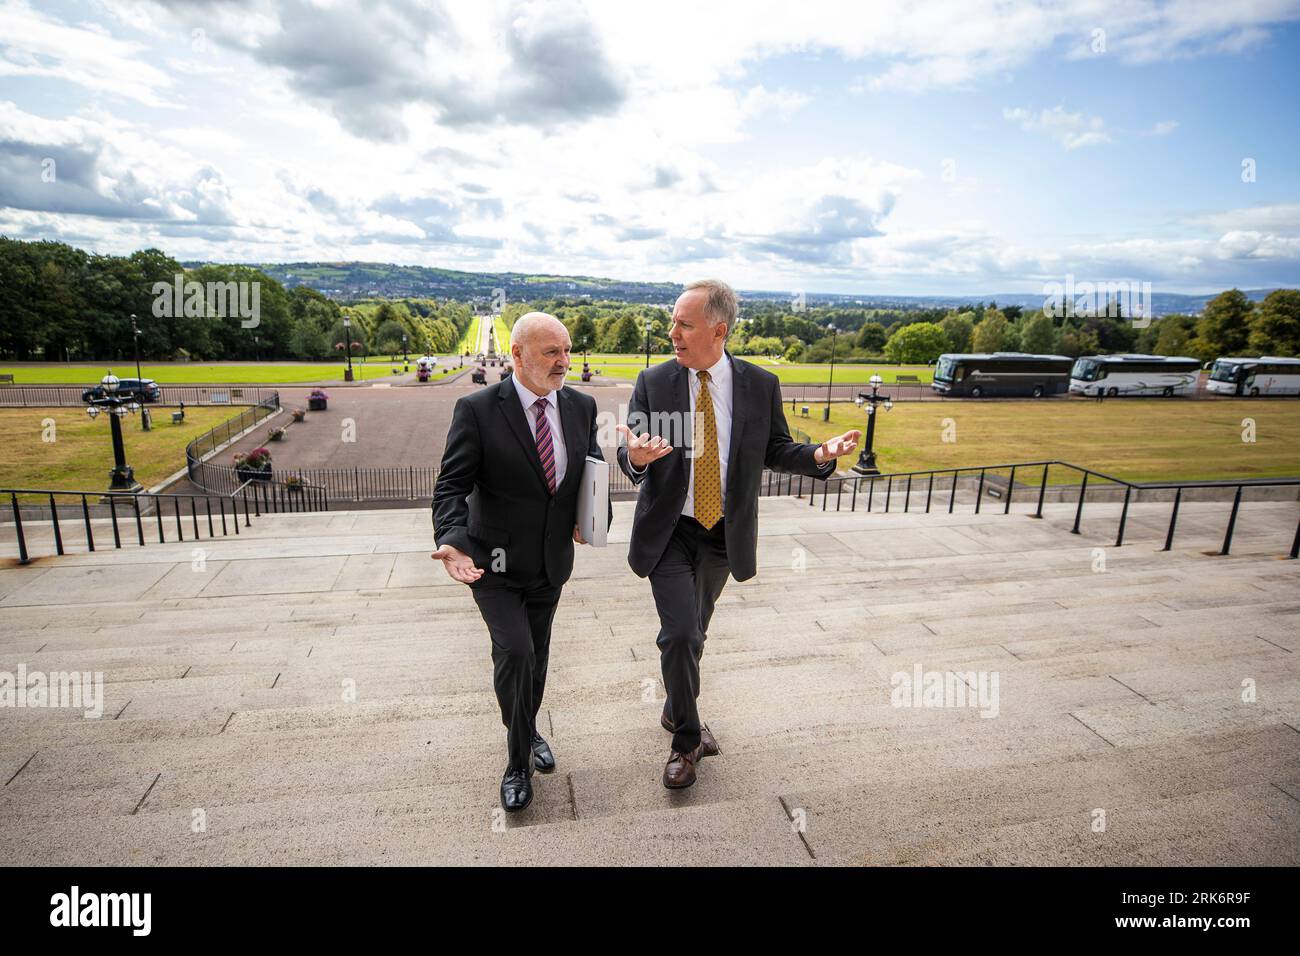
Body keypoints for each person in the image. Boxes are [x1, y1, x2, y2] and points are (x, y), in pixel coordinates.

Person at [616, 279, 861, 789]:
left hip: (723, 535)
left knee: (694, 635)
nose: (672, 333)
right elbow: (632, 449)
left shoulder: (758, 384)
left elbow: (776, 448)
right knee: (679, 633)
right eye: (673, 321)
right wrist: (634, 459)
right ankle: (686, 740)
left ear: (719, 330)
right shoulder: (655, 381)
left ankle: (674, 705)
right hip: (669, 532)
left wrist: (820, 454)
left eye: (684, 324)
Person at [432, 312, 611, 812]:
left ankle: (528, 729)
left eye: (567, 350)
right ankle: (516, 764)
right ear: (517, 355)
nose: (564, 362)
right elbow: (451, 486)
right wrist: (452, 539)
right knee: (515, 652)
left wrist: (591, 516)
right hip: (493, 564)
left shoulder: (580, 405)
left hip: (550, 563)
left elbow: (589, 469)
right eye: (552, 352)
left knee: (537, 657)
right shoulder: (478, 410)